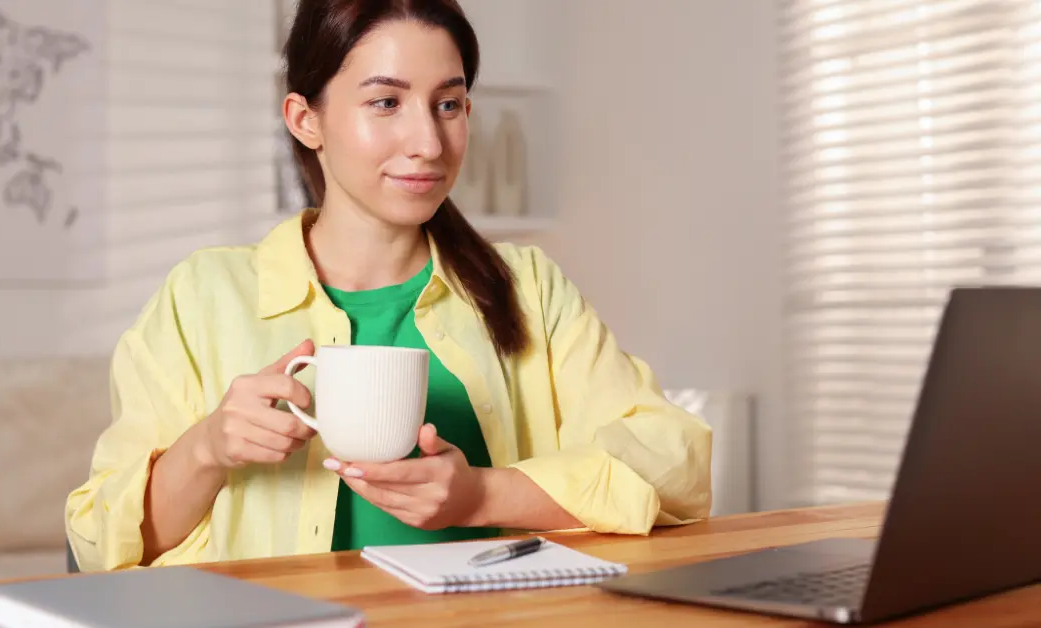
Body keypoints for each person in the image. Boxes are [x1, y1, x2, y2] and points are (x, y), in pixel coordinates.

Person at [65, 0, 712, 573]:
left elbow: (676, 466)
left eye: (449, 104)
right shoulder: (203, 298)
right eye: (385, 102)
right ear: (304, 119)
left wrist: (482, 495)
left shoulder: (528, 289)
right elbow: (101, 544)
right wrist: (206, 448)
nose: (428, 142)